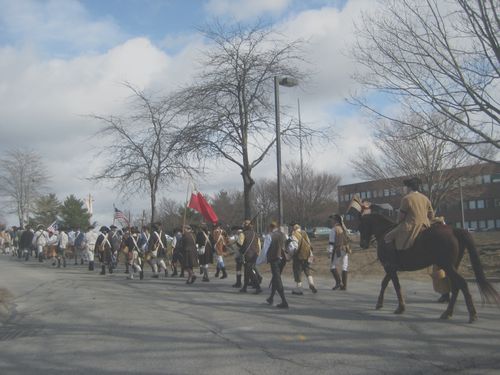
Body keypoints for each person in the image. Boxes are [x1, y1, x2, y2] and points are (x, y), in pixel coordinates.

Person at [384, 177, 434, 251]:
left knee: (387, 237)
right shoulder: (425, 198)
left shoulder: (406, 198)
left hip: (410, 226)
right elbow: (431, 215)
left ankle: (392, 259)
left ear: (409, 187)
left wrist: (397, 222)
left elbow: (401, 217)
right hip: (425, 225)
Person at [265, 221, 288, 308]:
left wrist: (260, 260)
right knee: (276, 277)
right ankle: (271, 297)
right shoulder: (283, 234)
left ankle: (284, 301)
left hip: (274, 259)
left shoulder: (269, 236)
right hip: (283, 259)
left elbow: (265, 250)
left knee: (277, 278)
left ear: (271, 227)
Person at [290, 224, 317, 295]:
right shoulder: (304, 233)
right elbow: (309, 243)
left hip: (299, 256)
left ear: (294, 228)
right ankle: (311, 283)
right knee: (307, 270)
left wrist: (291, 255)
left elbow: (294, 247)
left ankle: (299, 289)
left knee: (297, 272)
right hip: (308, 254)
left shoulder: (294, 235)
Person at [238, 220, 262, 294]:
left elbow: (239, 244)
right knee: (247, 271)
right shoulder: (256, 234)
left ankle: (258, 287)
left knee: (249, 271)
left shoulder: (243, 234)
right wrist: (258, 254)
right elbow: (259, 245)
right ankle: (245, 287)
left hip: (246, 255)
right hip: (254, 255)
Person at [328, 214, 351, 291]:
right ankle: (344, 286)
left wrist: (330, 252)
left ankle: (339, 282)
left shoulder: (334, 229)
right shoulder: (343, 228)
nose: (331, 221)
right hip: (346, 249)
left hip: (338, 249)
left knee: (332, 266)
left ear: (335, 220)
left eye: (332, 220)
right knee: (344, 266)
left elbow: (331, 242)